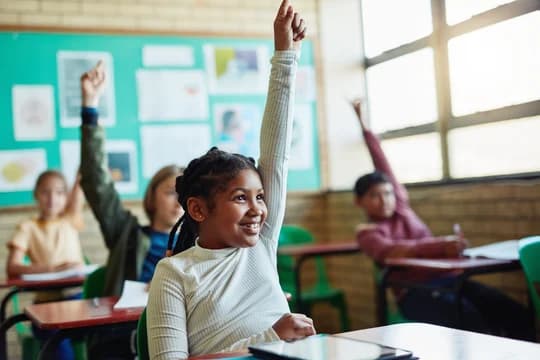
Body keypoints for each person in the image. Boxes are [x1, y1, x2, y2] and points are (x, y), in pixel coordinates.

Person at [146, 2, 314, 359]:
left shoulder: (261, 246)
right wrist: (272, 336)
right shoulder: (174, 273)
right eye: (240, 198)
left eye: (260, 197)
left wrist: (286, 55)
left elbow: (276, 153)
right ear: (198, 208)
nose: (257, 209)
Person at [351, 99, 535, 341]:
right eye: (374, 196)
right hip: (416, 293)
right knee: (472, 323)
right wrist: (441, 245)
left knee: (512, 312)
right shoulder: (368, 233)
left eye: (387, 193)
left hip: (450, 280)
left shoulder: (402, 208)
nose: (384, 200)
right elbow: (395, 252)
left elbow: (382, 163)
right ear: (360, 202)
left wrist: (365, 127)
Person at [79, 61, 184, 358]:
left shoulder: (199, 243)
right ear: (151, 197)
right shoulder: (126, 234)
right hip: (123, 337)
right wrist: (90, 106)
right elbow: (96, 182)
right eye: (170, 192)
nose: (178, 201)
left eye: (185, 194)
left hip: (175, 335)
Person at [6, 170, 85, 360]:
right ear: (35, 195)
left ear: (66, 197)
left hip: (79, 302)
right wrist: (54, 269)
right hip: (46, 306)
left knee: (107, 333)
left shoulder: (70, 220)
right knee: (58, 338)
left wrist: (81, 176)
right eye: (45, 192)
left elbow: (80, 187)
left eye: (59, 193)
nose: (52, 198)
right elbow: (12, 267)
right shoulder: (28, 227)